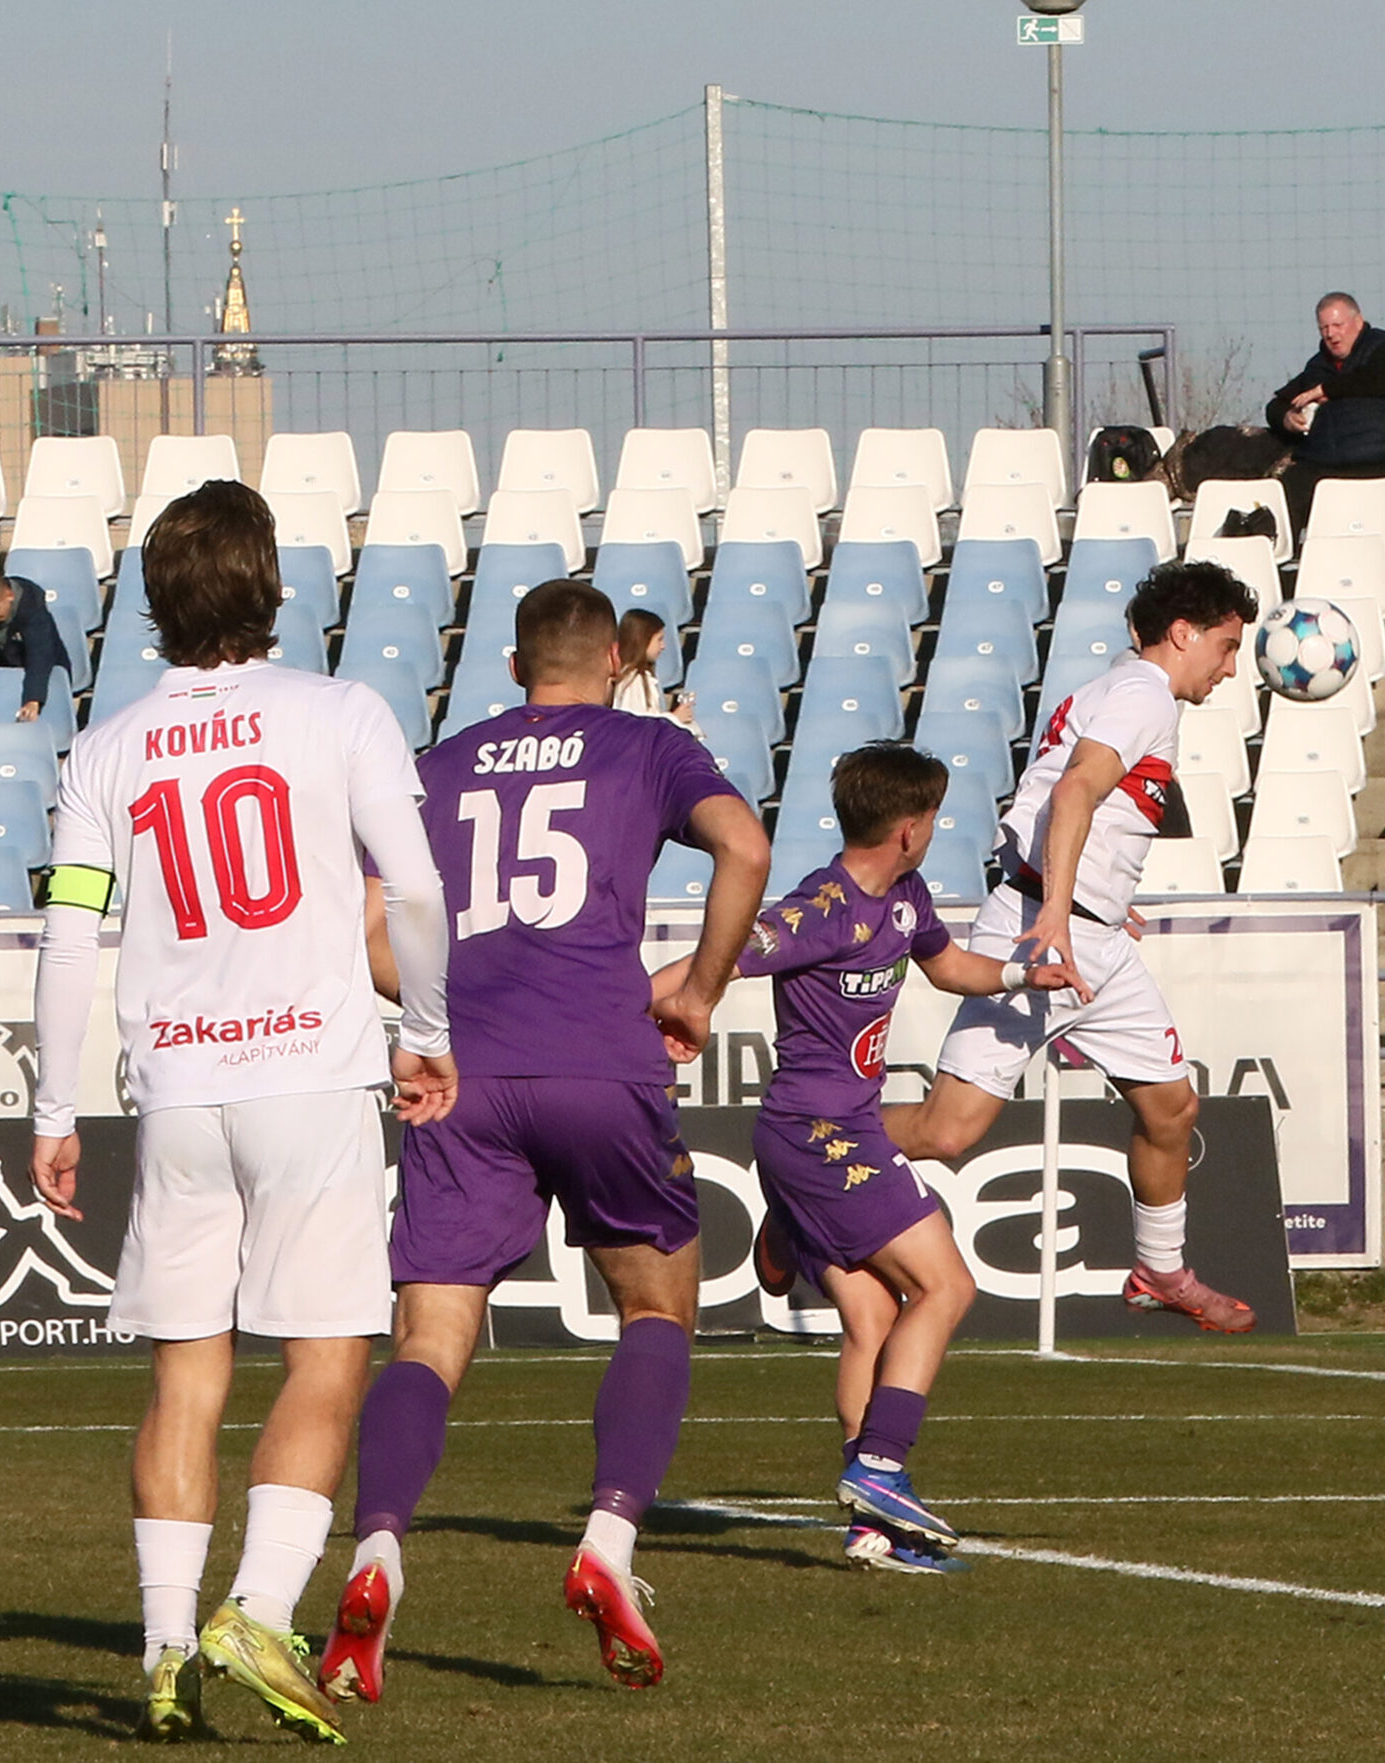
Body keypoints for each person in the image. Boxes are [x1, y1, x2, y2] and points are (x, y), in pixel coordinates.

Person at [24, 478, 457, 1745]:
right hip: (308, 1077)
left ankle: (165, 1645)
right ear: (271, 585)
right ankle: (259, 1609)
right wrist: (427, 1031)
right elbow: (415, 890)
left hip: (177, 1091)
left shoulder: (104, 748)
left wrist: (52, 1106)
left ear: (153, 600)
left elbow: (68, 935)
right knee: (326, 1354)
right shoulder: (340, 711)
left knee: (185, 1373)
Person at [319, 578, 768, 1705]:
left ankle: (378, 1550)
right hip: (600, 1064)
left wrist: (446, 1011)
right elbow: (747, 848)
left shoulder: (440, 764)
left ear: (514, 667)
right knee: (657, 1304)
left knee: (428, 1336)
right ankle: (608, 1541)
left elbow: (365, 928)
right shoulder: (649, 744)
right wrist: (699, 992)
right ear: (617, 660)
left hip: (463, 1078)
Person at [651, 742, 1073, 1574]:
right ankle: (880, 1466)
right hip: (819, 1135)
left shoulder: (906, 899)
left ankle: (870, 1527)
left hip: (843, 1128)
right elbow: (709, 962)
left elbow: (949, 968)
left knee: (875, 1320)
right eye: (935, 818)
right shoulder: (819, 910)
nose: (936, 831)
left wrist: (1025, 975)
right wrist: (618, 1012)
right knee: (948, 1286)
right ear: (909, 829)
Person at [885, 559, 1263, 1334]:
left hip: (1092, 935)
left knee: (1171, 1106)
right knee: (945, 1130)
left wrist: (1099, 897)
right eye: (1226, 646)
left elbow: (1069, 799)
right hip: (1041, 932)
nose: (1230, 668)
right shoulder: (1143, 696)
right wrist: (1058, 909)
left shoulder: (1121, 689)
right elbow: (1074, 790)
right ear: (1182, 633)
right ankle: (807, 1150)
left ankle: (1160, 1270)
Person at [1264, 292, 1385, 570]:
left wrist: (1326, 390)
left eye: (1338, 325)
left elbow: (1380, 379)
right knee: (1288, 489)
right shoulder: (1318, 366)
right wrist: (1286, 418)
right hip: (1328, 463)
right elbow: (1277, 403)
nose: (1331, 334)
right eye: (1324, 328)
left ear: (1358, 322)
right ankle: (1281, 569)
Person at [0, 570, 71, 723]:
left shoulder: (34, 611)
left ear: (10, 595)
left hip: (44, 677)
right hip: (4, 679)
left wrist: (33, 698)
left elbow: (40, 656)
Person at [609, 608, 697, 730]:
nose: (663, 646)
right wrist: (675, 718)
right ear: (642, 640)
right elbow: (636, 727)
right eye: (659, 639)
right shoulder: (633, 681)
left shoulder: (638, 677)